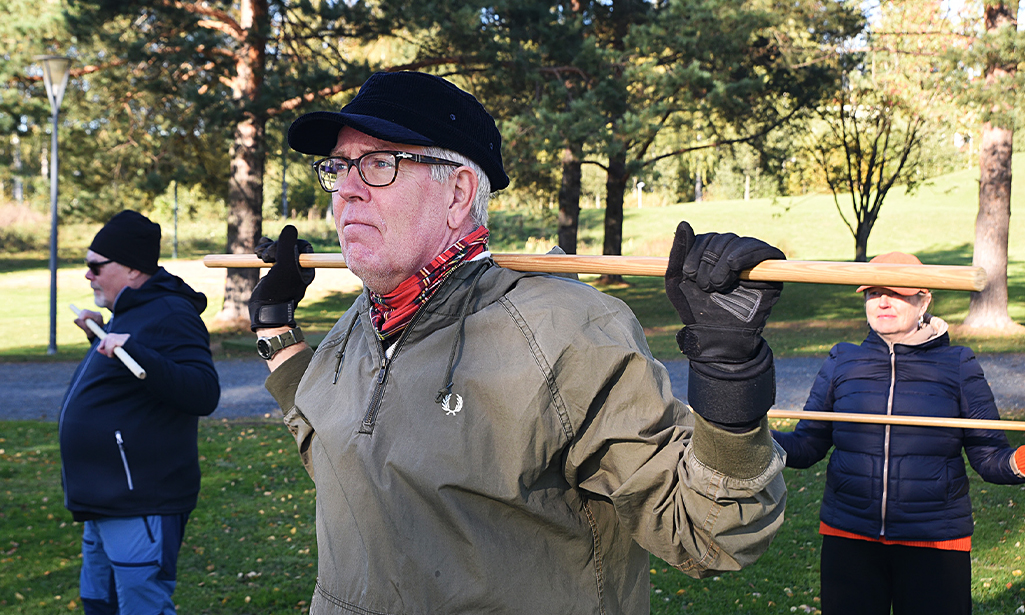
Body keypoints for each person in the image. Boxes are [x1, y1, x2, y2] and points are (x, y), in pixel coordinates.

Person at [249, 70, 788, 615]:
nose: (346, 189)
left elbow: (710, 533)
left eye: (379, 164)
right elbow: (344, 459)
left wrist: (729, 373)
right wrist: (275, 328)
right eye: (338, 168)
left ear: (457, 193)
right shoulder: (361, 320)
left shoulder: (564, 331)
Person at [772, 251, 1025, 615]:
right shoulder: (842, 360)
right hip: (849, 538)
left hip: (936, 543)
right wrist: (747, 435)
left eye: (896, 292)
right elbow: (807, 445)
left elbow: (990, 459)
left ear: (925, 298)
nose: (882, 301)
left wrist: (1020, 461)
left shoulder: (958, 364)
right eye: (872, 292)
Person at [59, 210, 220, 615]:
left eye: (96, 266)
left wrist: (136, 351)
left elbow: (203, 392)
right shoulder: (131, 312)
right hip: (105, 499)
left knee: (141, 608)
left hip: (142, 500)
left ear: (131, 270)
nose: (87, 276)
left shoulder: (170, 313)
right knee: (100, 602)